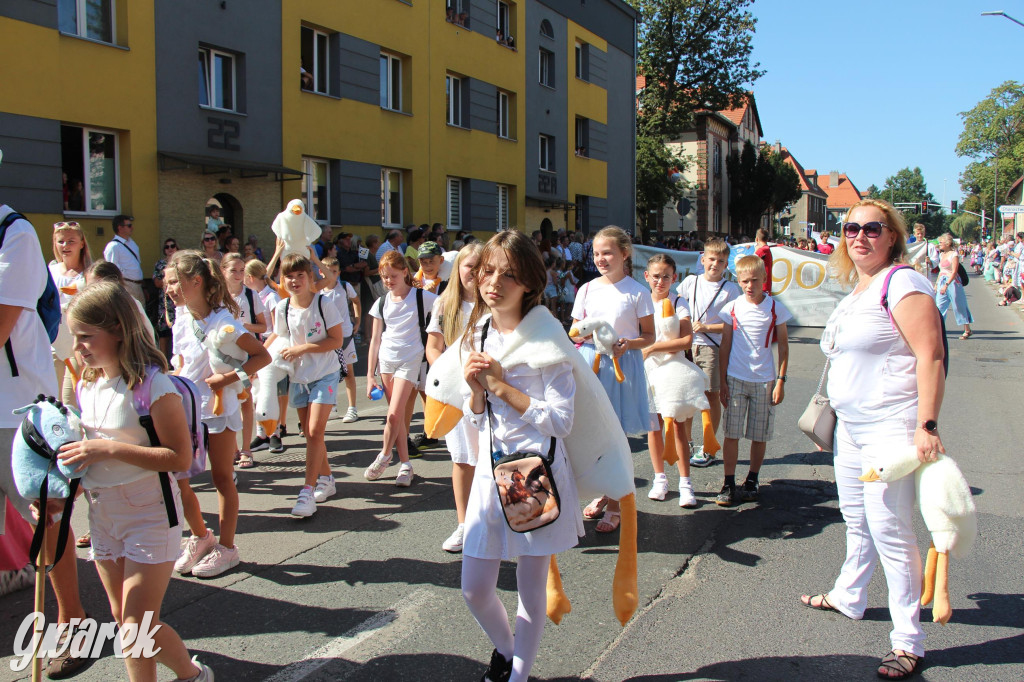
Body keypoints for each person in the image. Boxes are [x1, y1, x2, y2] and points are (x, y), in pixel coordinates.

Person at [800, 199, 944, 681]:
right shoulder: (859, 288)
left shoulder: (902, 282)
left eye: (872, 228)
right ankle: (850, 595)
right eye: (850, 228)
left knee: (890, 530)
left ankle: (908, 640)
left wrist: (927, 426)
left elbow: (931, 356)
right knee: (855, 518)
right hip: (852, 428)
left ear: (892, 235)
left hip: (891, 428)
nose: (859, 236)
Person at [60, 282, 214, 682]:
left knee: (135, 628)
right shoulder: (86, 385)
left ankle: (190, 675)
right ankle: (189, 674)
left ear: (117, 330)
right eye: (75, 338)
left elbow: (178, 457)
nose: (78, 347)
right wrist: (58, 498)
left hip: (150, 513)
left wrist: (106, 449)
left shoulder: (154, 385)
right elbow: (85, 460)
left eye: (86, 337)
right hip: (103, 517)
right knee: (126, 624)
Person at [459, 230, 583, 682]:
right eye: (488, 271)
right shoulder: (478, 332)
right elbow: (476, 420)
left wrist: (499, 387)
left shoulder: (547, 336)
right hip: (492, 476)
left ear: (529, 281)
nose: (494, 283)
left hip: (536, 476)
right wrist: (476, 393)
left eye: (508, 275)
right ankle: (509, 653)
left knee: (531, 594)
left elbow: (561, 422)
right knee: (473, 589)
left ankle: (518, 677)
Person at [1, 204, 91, 679]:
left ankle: (72, 620)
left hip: (11, 409)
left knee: (46, 516)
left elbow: (1, 324)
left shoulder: (11, 232)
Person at [165, 251, 270, 577]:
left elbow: (261, 357)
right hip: (184, 408)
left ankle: (227, 548)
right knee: (178, 476)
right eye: (167, 282)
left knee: (222, 477)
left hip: (217, 409)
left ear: (195, 282)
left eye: (173, 282)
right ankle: (200, 536)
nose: (167, 288)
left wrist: (227, 378)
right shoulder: (181, 316)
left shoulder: (224, 323)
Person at [571, 226, 655, 533]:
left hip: (622, 367)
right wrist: (584, 336)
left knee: (616, 439)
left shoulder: (637, 292)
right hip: (591, 364)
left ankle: (617, 502)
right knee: (591, 436)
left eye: (607, 253)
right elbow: (577, 331)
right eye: (596, 253)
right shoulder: (587, 289)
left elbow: (649, 336)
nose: (601, 259)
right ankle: (604, 493)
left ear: (624, 253)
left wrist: (627, 344)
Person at [270, 251, 345, 517]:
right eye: (288, 276)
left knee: (314, 431)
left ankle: (306, 491)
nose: (294, 280)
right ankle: (326, 478)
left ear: (309, 276)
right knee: (310, 435)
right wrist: (256, 363)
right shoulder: (282, 308)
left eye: (300, 275)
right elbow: (277, 339)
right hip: (298, 377)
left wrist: (303, 348)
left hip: (325, 374)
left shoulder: (324, 304)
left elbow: (336, 341)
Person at [715, 255, 790, 506]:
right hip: (735, 378)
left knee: (759, 434)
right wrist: (722, 381)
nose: (749, 286)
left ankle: (752, 478)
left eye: (755, 280)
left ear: (764, 280)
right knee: (732, 433)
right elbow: (725, 346)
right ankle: (728, 482)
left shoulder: (775, 308)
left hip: (764, 380)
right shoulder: (732, 307)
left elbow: (784, 348)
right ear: (738, 280)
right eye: (744, 281)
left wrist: (780, 380)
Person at [425, 243, 482, 552]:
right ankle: (464, 524)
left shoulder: (495, 301)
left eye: (479, 266)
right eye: (467, 265)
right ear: (458, 268)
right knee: (462, 458)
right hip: (456, 392)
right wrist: (447, 372)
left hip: (489, 391)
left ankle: (496, 521)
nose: (473, 272)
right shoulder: (445, 303)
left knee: (491, 456)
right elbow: (433, 347)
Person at [365, 250, 438, 486]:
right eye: (384, 277)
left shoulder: (421, 297)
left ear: (405, 272)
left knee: (394, 414)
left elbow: (447, 308)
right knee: (396, 419)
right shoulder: (381, 302)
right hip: (386, 361)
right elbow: (375, 339)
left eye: (393, 276)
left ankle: (385, 455)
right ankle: (405, 465)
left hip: (411, 360)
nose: (388, 281)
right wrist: (369, 375)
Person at [676, 239, 741, 467]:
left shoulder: (731, 290)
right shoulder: (690, 282)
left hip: (712, 347)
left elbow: (733, 324)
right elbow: (677, 307)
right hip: (686, 346)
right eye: (711, 259)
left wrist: (705, 327)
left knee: (710, 396)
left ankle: (709, 445)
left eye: (721, 261)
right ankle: (688, 442)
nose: (715, 264)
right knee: (687, 396)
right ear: (703, 259)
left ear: (726, 265)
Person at [642, 254, 697, 507]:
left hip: (673, 370)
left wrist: (653, 348)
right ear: (647, 277)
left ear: (674, 278)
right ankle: (660, 478)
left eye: (666, 276)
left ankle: (685, 483)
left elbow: (686, 340)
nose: (660, 281)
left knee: (676, 426)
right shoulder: (641, 302)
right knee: (653, 426)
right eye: (656, 276)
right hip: (648, 372)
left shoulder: (679, 301)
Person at [222, 252, 269, 468]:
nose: (239, 274)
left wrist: (242, 326)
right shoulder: (217, 296)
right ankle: (231, 448)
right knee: (226, 400)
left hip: (246, 352)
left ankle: (246, 449)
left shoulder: (250, 295)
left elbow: (263, 326)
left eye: (242, 270)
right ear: (223, 271)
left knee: (245, 398)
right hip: (224, 354)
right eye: (234, 270)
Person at [244, 258, 288, 453]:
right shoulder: (252, 295)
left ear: (251, 277)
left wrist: (263, 350)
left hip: (269, 348)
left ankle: (275, 433)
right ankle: (261, 434)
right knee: (257, 392)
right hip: (256, 347)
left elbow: (277, 329)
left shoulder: (271, 297)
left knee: (272, 392)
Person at [50, 220, 93, 405]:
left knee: (70, 401)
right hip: (52, 345)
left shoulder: (90, 273)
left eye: (71, 241)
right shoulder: (49, 271)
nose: (65, 246)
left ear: (82, 243)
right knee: (51, 400)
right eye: (61, 241)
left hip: (79, 346)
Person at [319, 256, 361, 422]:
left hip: (345, 335)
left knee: (349, 372)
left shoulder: (344, 286)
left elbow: (356, 301)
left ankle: (352, 408)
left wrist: (357, 320)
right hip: (328, 336)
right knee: (329, 372)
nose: (332, 275)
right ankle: (332, 406)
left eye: (335, 272)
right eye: (328, 271)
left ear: (339, 272)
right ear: (321, 272)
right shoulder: (318, 291)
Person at [86, 261, 155, 341]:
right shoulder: (91, 309)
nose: (92, 291)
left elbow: (146, 340)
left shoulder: (129, 306)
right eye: (89, 287)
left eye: (97, 286)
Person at [935, 233, 973, 340]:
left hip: (953, 282)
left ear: (947, 243)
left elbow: (954, 271)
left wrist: (947, 285)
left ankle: (967, 329)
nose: (939, 244)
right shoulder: (941, 255)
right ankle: (939, 331)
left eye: (941, 242)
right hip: (942, 281)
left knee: (959, 306)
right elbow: (941, 271)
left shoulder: (954, 255)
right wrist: (937, 284)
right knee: (939, 306)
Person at [103, 214, 145, 305]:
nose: (132, 228)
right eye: (129, 226)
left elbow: (136, 265)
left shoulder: (132, 243)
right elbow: (113, 270)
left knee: (141, 316)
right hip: (126, 285)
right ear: (120, 228)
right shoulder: (113, 246)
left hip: (138, 285)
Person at [153, 239, 179, 359]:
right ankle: (164, 360)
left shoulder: (180, 263)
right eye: (167, 247)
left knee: (178, 330)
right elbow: (157, 282)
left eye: (172, 246)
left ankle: (178, 359)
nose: (170, 249)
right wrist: (170, 279)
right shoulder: (160, 264)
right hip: (165, 302)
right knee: (164, 332)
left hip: (179, 301)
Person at [753, 228, 773, 294]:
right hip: (766, 284)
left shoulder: (761, 251)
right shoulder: (767, 249)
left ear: (756, 239)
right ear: (767, 239)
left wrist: (756, 251)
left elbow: (750, 264)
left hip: (761, 285)